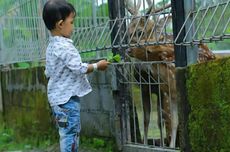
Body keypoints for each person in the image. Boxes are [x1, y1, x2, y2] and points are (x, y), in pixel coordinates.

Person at [42, 0, 110, 151]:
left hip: (57, 100)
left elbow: (48, 71)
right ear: (60, 24)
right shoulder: (65, 46)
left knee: (66, 134)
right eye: (71, 22)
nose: (73, 27)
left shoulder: (52, 45)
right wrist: (98, 66)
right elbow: (79, 68)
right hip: (67, 101)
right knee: (71, 134)